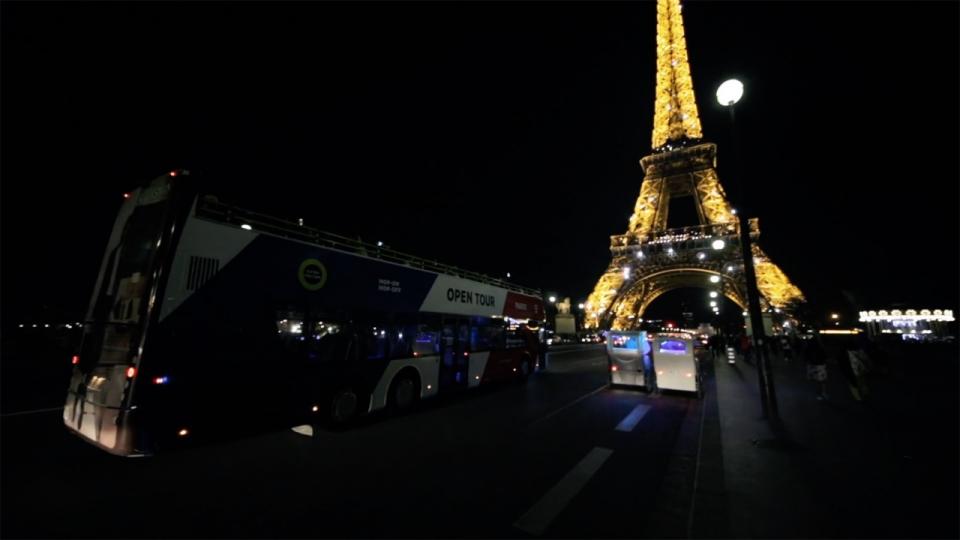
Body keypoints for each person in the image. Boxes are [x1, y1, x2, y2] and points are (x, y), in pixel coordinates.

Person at [804, 336, 829, 400]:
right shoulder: (820, 347)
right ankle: (824, 393)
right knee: (822, 381)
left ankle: (819, 394)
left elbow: (806, 357)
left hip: (813, 365)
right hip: (821, 365)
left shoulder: (809, 348)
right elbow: (825, 356)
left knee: (817, 381)